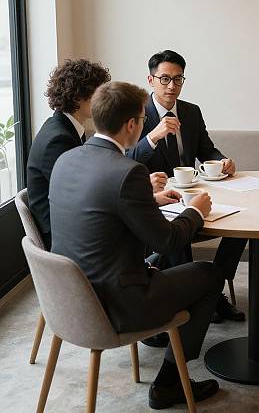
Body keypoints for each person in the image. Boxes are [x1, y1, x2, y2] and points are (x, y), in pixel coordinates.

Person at [50, 81, 223, 409]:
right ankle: (170, 383)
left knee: (165, 264)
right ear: (131, 124)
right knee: (209, 273)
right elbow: (169, 239)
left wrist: (151, 201)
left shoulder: (67, 160)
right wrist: (194, 211)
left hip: (70, 300)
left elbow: (102, 208)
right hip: (116, 303)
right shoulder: (128, 172)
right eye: (143, 120)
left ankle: (168, 355)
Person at [127, 50, 246, 324]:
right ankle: (202, 297)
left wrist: (222, 161)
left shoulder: (191, 111)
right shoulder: (137, 113)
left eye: (178, 79)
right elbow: (124, 161)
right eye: (165, 79)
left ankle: (213, 287)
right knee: (178, 227)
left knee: (241, 222)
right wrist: (154, 136)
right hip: (155, 201)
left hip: (191, 191)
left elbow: (206, 149)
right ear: (151, 79)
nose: (171, 86)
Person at [26, 59, 111, 249]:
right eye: (100, 93)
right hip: (64, 238)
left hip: (69, 224)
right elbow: (81, 195)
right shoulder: (58, 139)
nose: (104, 100)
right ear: (79, 96)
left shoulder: (64, 128)